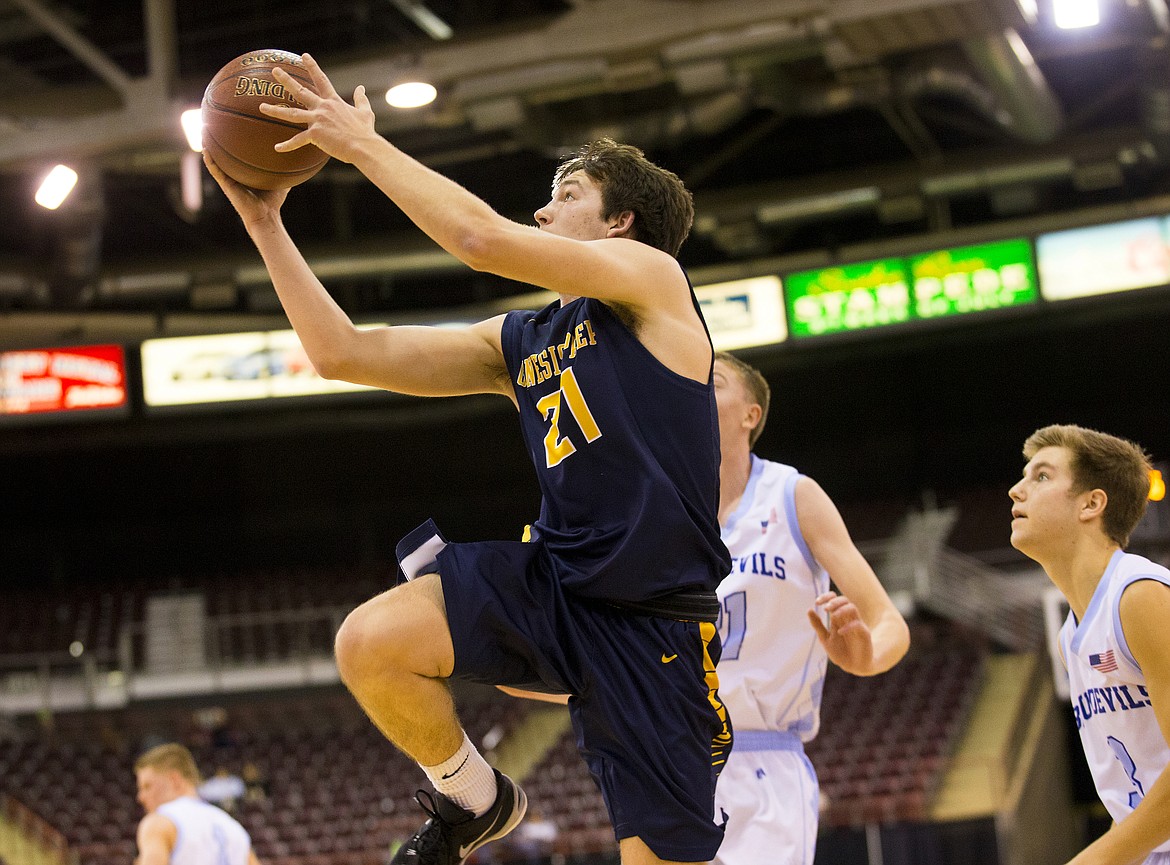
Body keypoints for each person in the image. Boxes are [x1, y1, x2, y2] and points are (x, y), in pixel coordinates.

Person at [205, 53, 732, 865]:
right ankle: (474, 797)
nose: (542, 208)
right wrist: (265, 224)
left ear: (622, 224)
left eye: (567, 194)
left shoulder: (653, 284)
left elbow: (479, 238)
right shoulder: (517, 341)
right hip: (556, 587)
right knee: (370, 642)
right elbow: (340, 352)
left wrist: (359, 145)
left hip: (652, 621)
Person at [709, 351, 910, 865]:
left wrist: (865, 657)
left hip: (764, 765)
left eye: (712, 381)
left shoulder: (791, 495)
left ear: (750, 415)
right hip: (672, 766)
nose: (692, 387)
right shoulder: (663, 511)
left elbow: (888, 622)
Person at [1009, 424, 1170, 865]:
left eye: (1040, 476)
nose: (1015, 491)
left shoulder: (1139, 596)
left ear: (1091, 503)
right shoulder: (1070, 637)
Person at [133, 743, 262, 865]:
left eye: (147, 786)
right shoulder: (234, 828)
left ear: (174, 779)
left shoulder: (160, 822)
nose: (141, 797)